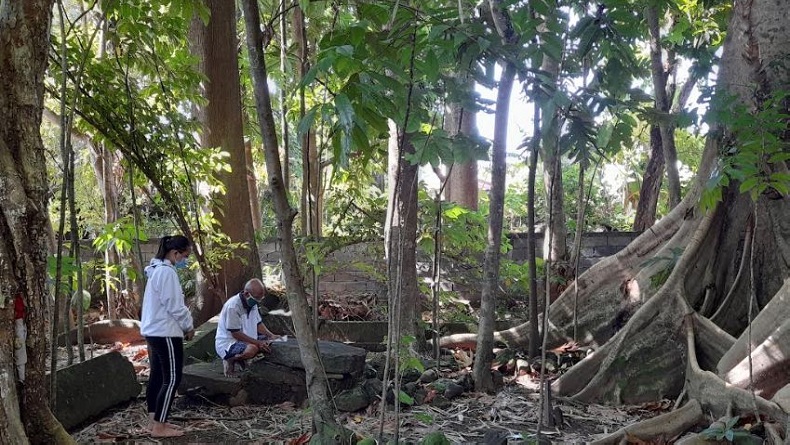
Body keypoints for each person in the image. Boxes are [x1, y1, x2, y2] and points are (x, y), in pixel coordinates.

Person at [140, 235, 195, 438]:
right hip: (165, 332)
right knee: (172, 378)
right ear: (175, 253)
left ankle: (153, 420)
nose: (185, 260)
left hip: (153, 331)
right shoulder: (167, 273)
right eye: (185, 256)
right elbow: (175, 306)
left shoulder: (155, 270)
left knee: (157, 376)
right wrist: (188, 326)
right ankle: (159, 426)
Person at [215, 278, 281, 377]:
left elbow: (258, 324)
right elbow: (235, 333)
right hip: (229, 342)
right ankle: (230, 360)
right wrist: (258, 343)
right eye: (257, 299)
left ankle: (242, 359)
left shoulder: (252, 303)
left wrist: (271, 335)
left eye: (260, 299)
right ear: (246, 294)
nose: (258, 301)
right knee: (252, 349)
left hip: (247, 337)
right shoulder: (233, 306)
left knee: (270, 341)